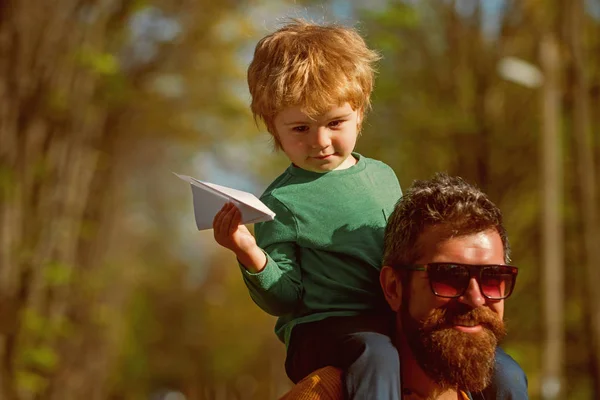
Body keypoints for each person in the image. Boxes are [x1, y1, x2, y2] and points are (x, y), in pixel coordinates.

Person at [212, 18, 527, 399]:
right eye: (300, 129)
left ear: (359, 112)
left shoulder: (382, 177)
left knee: (505, 371)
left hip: (391, 320)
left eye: (334, 123)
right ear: (273, 128)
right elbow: (284, 297)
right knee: (377, 356)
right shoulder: (281, 202)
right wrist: (249, 253)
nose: (321, 141)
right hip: (325, 330)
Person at [279, 173, 529, 399]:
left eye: (493, 278)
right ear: (393, 287)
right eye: (449, 276)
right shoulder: (326, 394)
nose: (475, 298)